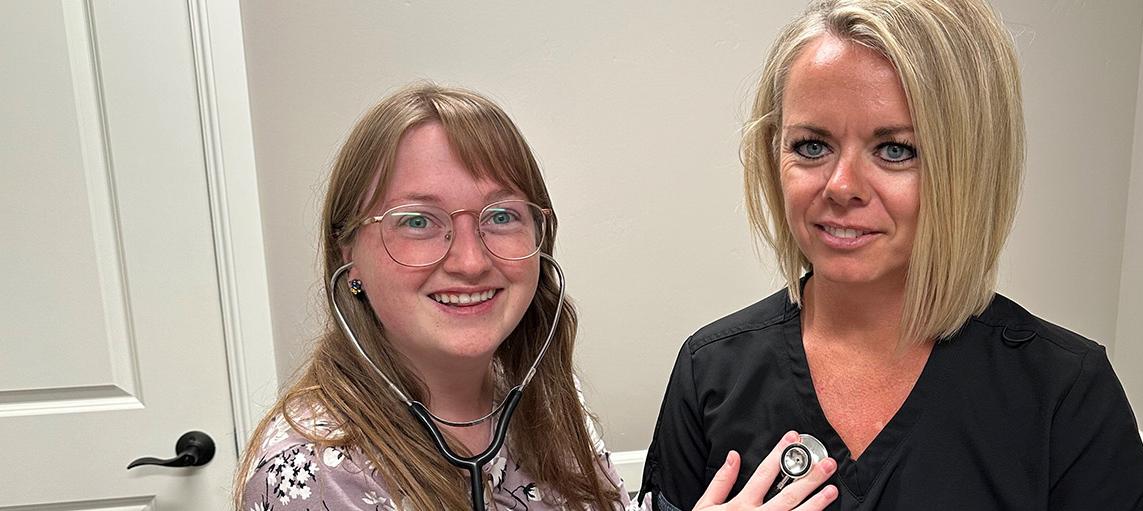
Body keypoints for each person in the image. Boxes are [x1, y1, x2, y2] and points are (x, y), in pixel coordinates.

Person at [640, 1, 1143, 509]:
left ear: (968, 167)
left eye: (896, 150)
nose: (842, 186)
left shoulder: (1064, 396)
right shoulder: (710, 372)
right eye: (811, 146)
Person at [235, 83, 839, 511]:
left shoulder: (548, 407)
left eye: (501, 216)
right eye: (417, 222)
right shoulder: (312, 470)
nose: (470, 260)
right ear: (350, 257)